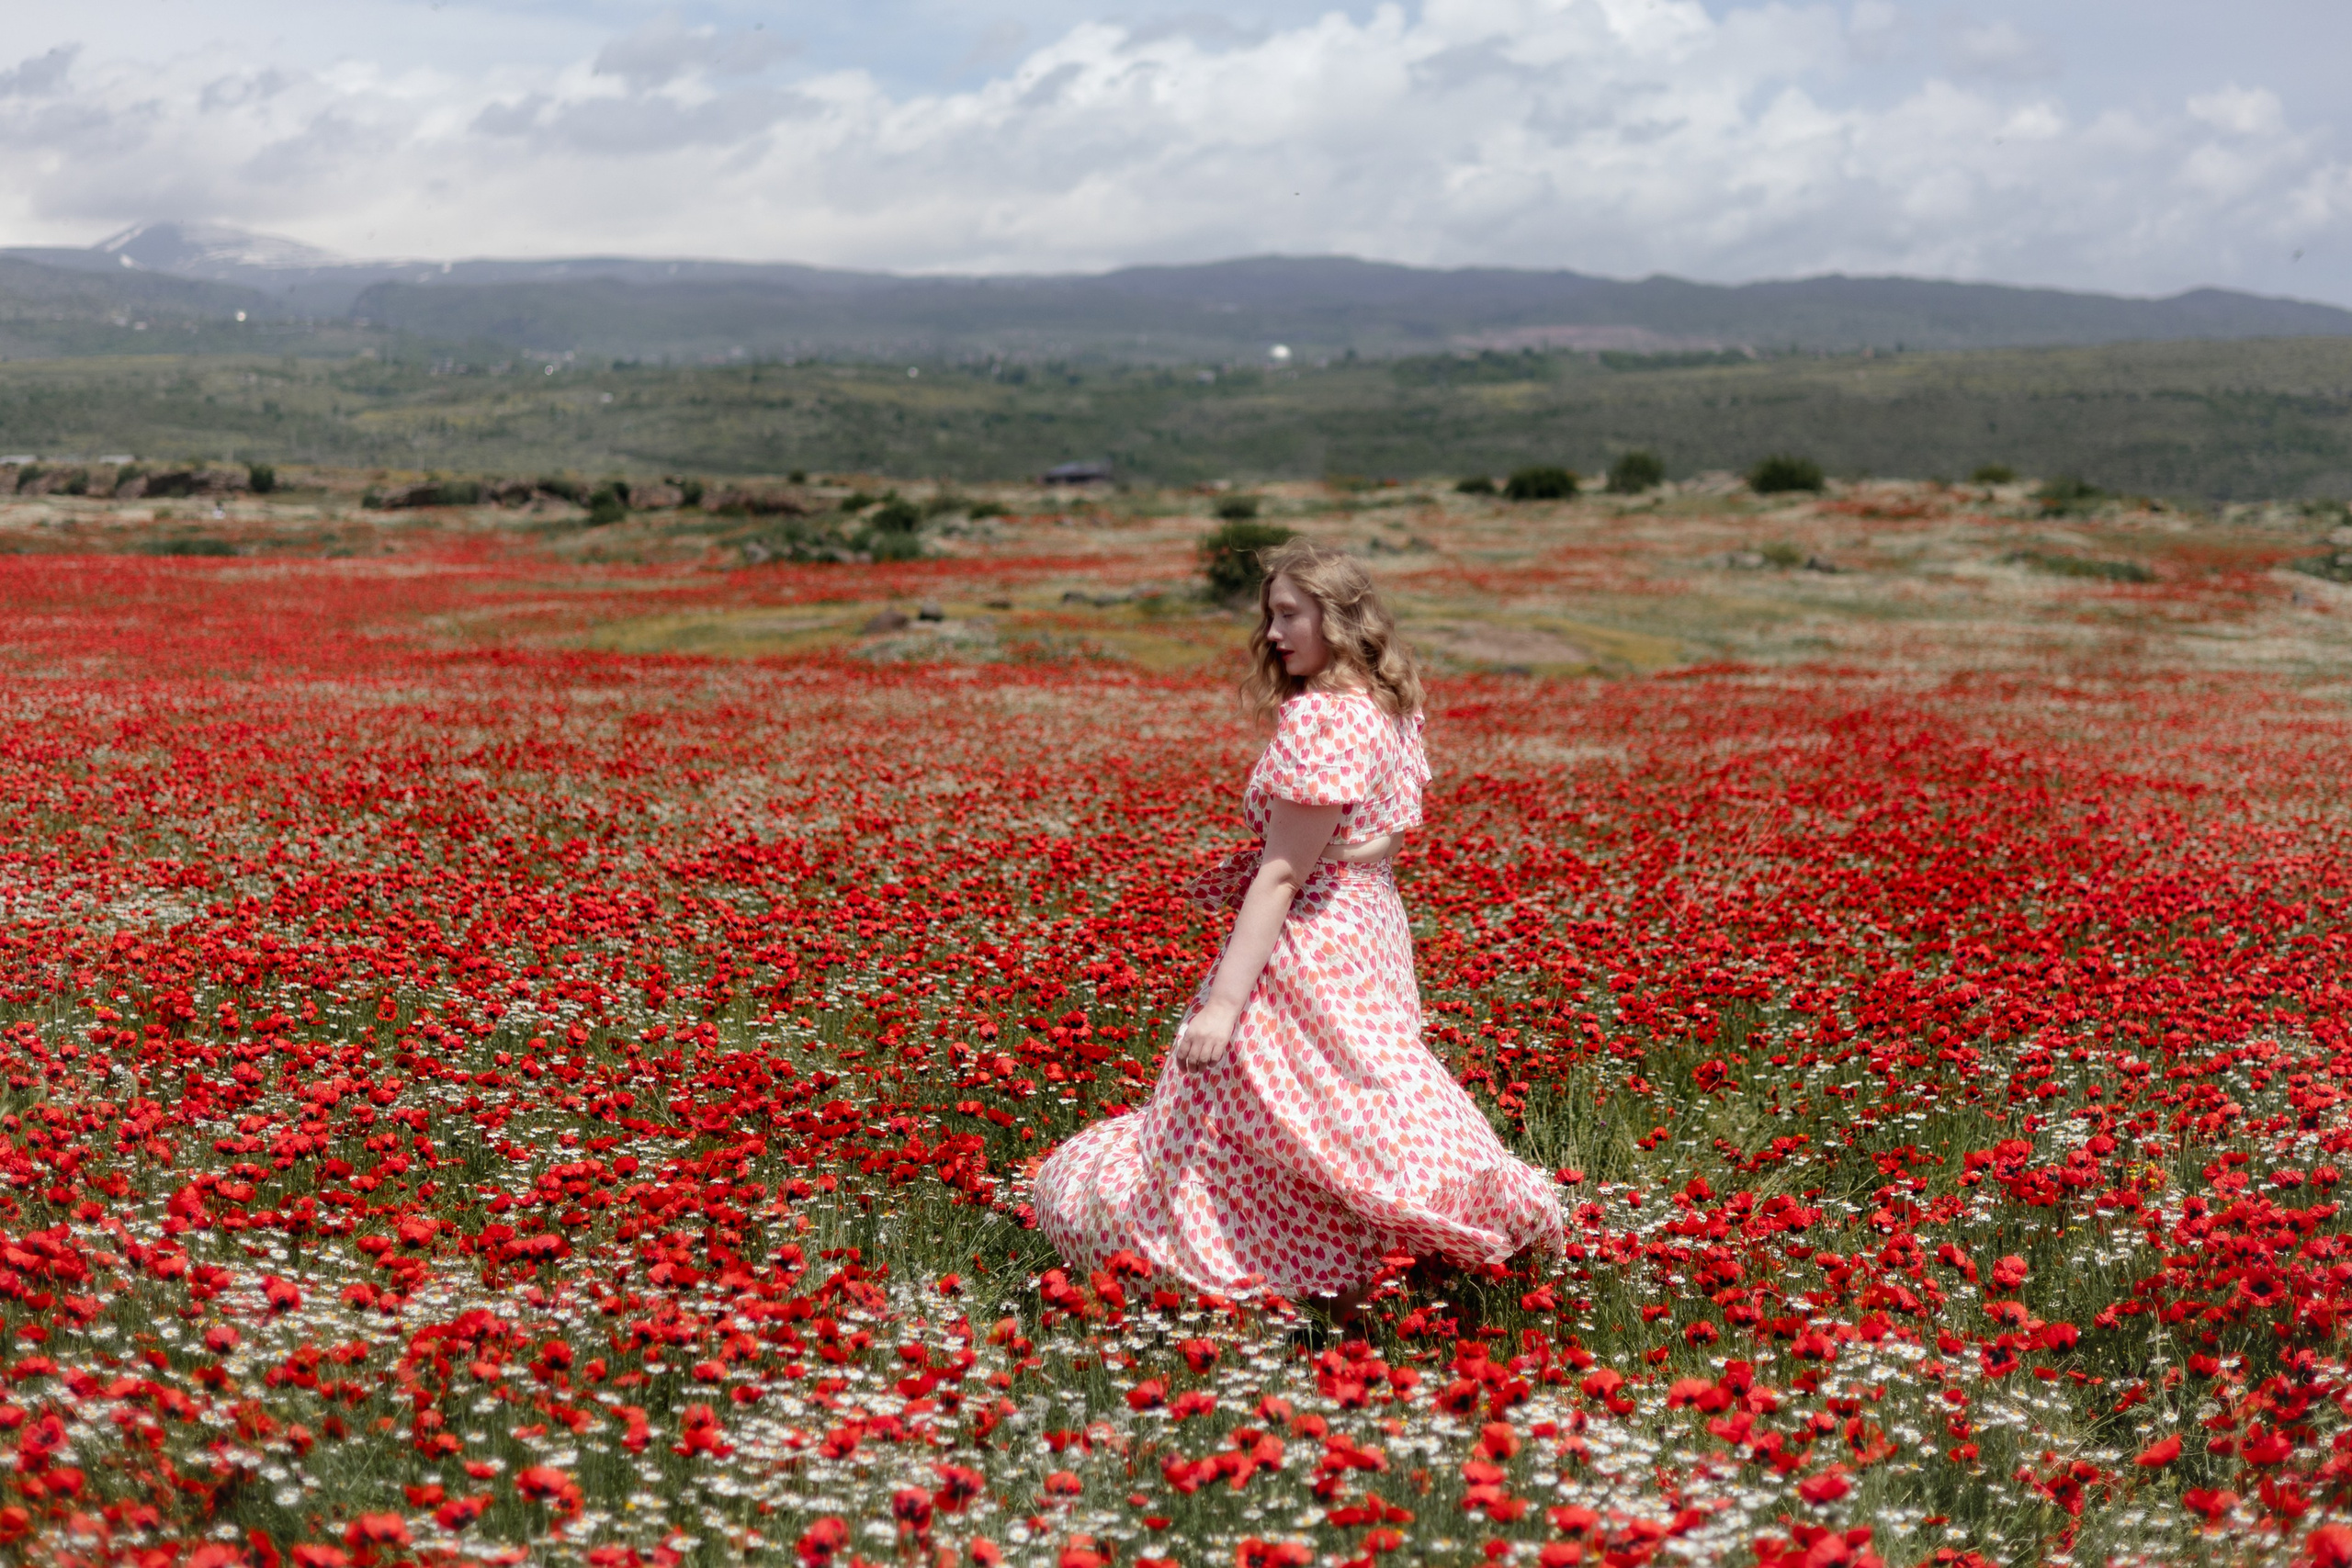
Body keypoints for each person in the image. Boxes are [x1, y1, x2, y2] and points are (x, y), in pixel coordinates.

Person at [1034, 540, 1563, 1324]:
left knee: (1272, 1115)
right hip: (1368, 929)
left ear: (1339, 619)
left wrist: (1223, 1005)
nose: (1273, 633)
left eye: (1289, 615)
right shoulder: (1387, 706)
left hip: (1311, 944)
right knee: (1340, 1108)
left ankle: (1276, 1271)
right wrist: (1352, 854)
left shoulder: (1323, 719)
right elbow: (1385, 834)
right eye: (1270, 615)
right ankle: (1357, 1274)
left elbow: (1281, 875)